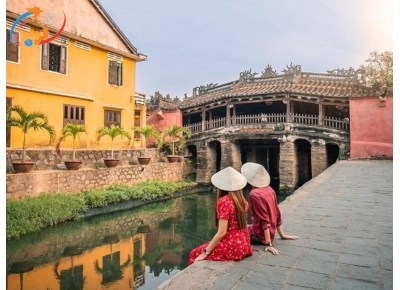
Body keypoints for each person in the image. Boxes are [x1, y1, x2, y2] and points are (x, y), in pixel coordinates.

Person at [188, 166, 253, 265]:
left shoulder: (224, 201)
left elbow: (222, 232)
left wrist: (205, 253)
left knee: (194, 253)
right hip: (244, 244)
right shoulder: (243, 201)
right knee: (207, 244)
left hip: (232, 247)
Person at [241, 162, 299, 255]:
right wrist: (282, 235)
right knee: (246, 226)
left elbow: (264, 219)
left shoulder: (254, 194)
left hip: (259, 235)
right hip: (268, 232)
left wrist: (269, 244)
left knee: (233, 232)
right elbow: (277, 213)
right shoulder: (270, 189)